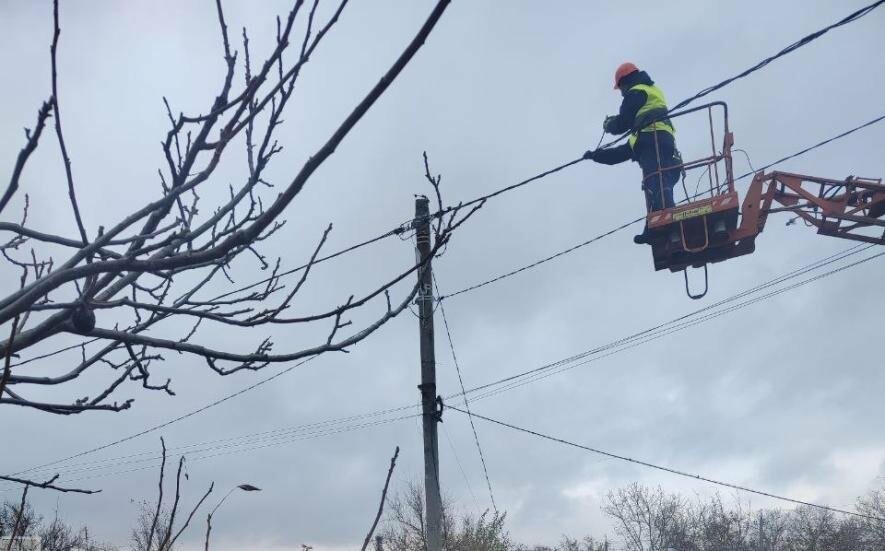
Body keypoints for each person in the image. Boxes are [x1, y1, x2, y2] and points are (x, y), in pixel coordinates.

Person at [584, 62, 682, 244]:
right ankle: (652, 228)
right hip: (664, 142)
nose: (621, 93)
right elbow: (620, 154)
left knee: (656, 181)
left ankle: (671, 221)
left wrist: (610, 124)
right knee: (655, 184)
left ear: (625, 82)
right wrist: (596, 156)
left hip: (653, 139)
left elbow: (624, 121)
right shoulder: (648, 100)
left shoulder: (636, 92)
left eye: (620, 88)